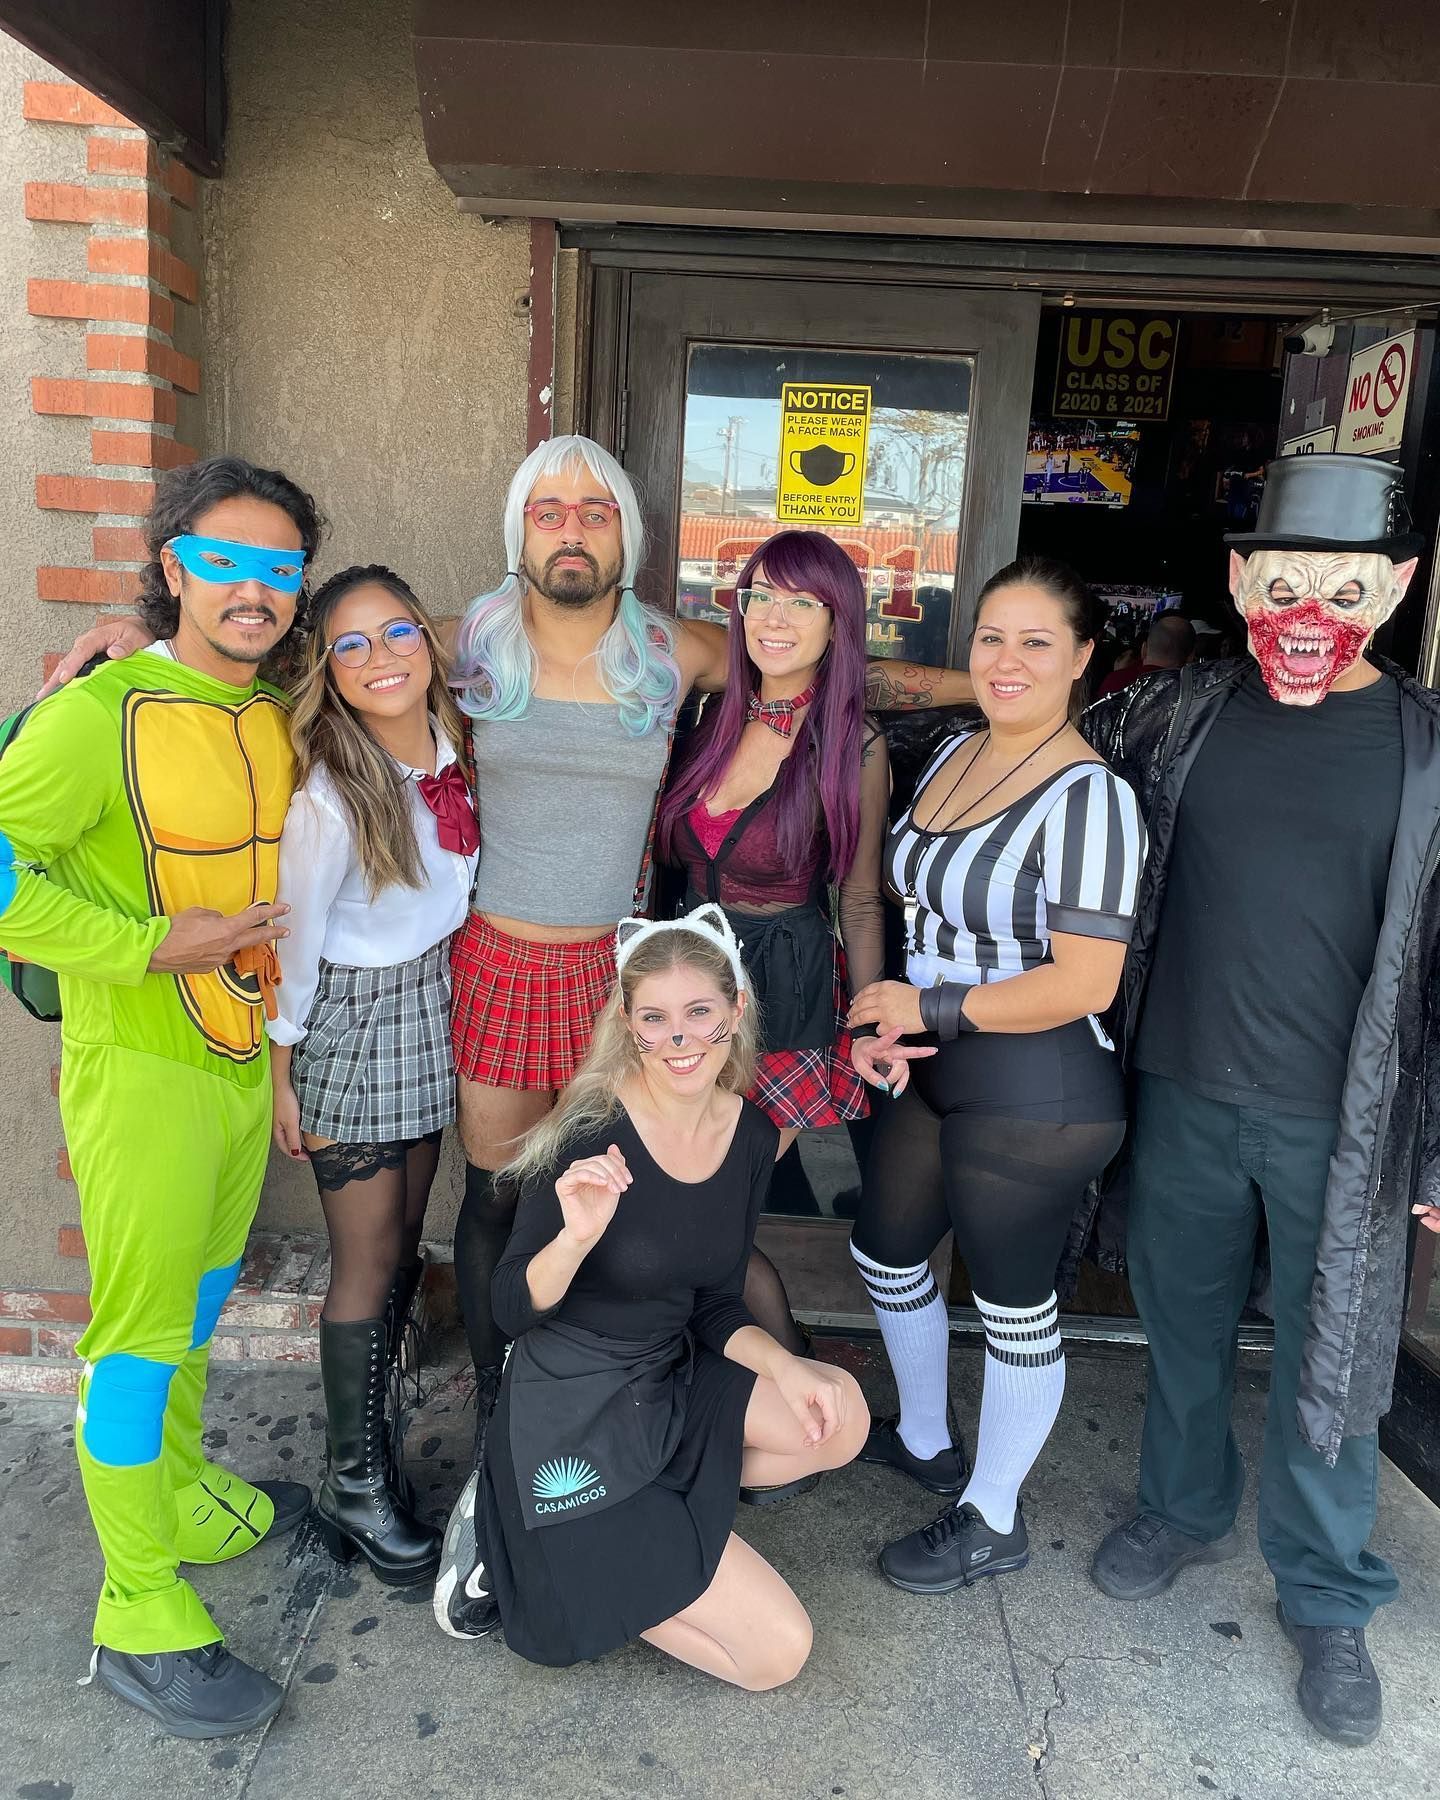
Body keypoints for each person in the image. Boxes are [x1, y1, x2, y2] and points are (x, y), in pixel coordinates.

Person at [46, 433, 975, 1639]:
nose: (572, 527)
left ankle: (648, 1414)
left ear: (625, 534)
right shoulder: (463, 635)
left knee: (634, 1201)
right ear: (520, 530)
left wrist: (994, 686)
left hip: (616, 973)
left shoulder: (673, 646)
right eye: (549, 510)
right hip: (495, 960)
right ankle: (509, 1431)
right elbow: (324, 646)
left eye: (595, 509)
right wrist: (144, 648)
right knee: (496, 1203)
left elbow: (838, 670)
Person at [1084, 453, 1438, 1749]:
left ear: (1395, 589)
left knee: (1328, 1356)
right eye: (1281, 581)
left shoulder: (1430, 755)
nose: (1308, 611)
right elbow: (1036, 758)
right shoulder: (1174, 713)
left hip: (1349, 1121)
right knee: (1177, 1320)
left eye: (1344, 588)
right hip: (1181, 1083)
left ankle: (1330, 1592)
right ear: (1239, 581)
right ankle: (1177, 1507)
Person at [0, 457, 323, 1737]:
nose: (256, 588)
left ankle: (179, 1493)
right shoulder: (101, 710)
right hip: (139, 1070)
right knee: (134, 1333)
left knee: (194, 1300)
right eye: (227, 560)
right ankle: (137, 1606)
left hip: (238, 1062)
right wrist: (147, 946)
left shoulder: (266, 709)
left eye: (280, 566)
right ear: (174, 564)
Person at [433, 907, 866, 1681]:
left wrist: (790, 1366)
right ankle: (516, 1527)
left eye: (699, 1013)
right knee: (775, 1656)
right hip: (571, 1408)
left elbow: (715, 1303)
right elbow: (508, 1310)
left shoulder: (751, 1134)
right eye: (655, 1018)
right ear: (627, 1024)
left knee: (836, 1416)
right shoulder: (590, 1128)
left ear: (735, 1012)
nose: (679, 1039)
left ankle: (644, 1517)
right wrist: (573, 1236)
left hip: (664, 1381)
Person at [844, 556, 1144, 1595]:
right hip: (934, 1058)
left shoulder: (1091, 796)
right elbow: (914, 912)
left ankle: (992, 1514)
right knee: (885, 1251)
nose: (1006, 661)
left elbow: (1088, 982)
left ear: (1082, 660)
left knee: (1015, 1305)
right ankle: (926, 1439)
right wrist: (889, 1018)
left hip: (1037, 1081)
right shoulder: (957, 752)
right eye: (990, 638)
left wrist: (920, 1008)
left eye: (1035, 643)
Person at [268, 565, 479, 1586]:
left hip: (436, 1002)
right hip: (351, 1020)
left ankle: (381, 1426)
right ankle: (353, 1485)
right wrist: (283, 1068)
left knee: (404, 1239)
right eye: (350, 644)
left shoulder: (456, 748)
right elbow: (293, 942)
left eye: (397, 631)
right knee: (362, 1258)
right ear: (329, 670)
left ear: (428, 641)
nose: (380, 657)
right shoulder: (327, 793)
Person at [656, 531, 889, 1300]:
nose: (774, 616)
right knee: (672, 1195)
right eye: (760, 595)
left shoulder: (852, 742)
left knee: (722, 1210)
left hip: (781, 993)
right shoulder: (709, 716)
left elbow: (857, 898)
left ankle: (750, 1370)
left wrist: (871, 1018)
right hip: (684, 985)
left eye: (802, 600)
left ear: (837, 622)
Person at [1095, 610, 1196, 697]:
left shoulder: (1114, 681)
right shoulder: (1194, 691)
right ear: (1191, 657)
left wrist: (1119, 674)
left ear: (1144, 649)